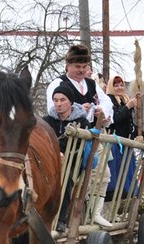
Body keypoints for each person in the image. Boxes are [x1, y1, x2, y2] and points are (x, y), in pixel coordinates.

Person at [42, 83, 111, 232]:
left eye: (62, 100)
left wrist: (63, 154)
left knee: (65, 180)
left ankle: (61, 219)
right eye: (56, 100)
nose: (58, 104)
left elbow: (79, 146)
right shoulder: (47, 120)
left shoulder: (82, 122)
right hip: (49, 159)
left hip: (72, 161)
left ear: (71, 102)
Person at [46, 44, 113, 127]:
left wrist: (101, 111)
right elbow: (52, 110)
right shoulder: (58, 83)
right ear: (68, 65)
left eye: (84, 67)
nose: (81, 70)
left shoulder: (91, 83)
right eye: (77, 66)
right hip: (67, 134)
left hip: (92, 134)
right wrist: (78, 110)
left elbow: (107, 101)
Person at [104, 74, 141, 201]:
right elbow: (115, 119)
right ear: (111, 87)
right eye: (116, 85)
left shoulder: (125, 100)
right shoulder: (108, 100)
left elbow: (130, 124)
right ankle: (113, 197)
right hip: (115, 144)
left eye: (121, 85)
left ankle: (127, 199)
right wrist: (127, 107)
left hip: (126, 143)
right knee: (117, 177)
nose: (119, 88)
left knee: (127, 177)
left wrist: (143, 136)